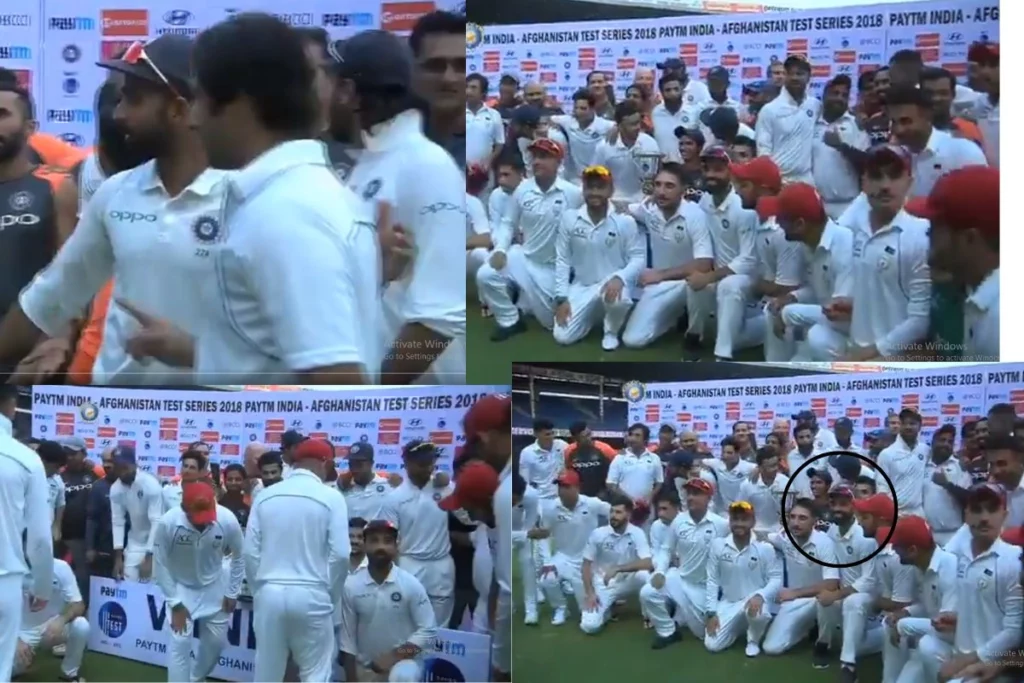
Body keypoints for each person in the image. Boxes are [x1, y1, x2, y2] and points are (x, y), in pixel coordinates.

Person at [0, 36, 231, 386]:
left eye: (134, 100)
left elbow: (290, 349)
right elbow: (49, 300)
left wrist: (195, 352)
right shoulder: (116, 194)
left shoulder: (248, 197)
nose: (119, 114)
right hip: (114, 410)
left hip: (222, 411)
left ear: (178, 109)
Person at [185, 14, 379, 384]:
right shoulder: (286, 200)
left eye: (199, 98)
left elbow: (336, 382)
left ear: (241, 103)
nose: (192, 119)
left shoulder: (286, 214)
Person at [336, 30, 465, 384]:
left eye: (329, 83)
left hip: (421, 393)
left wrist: (381, 387)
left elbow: (440, 319)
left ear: (348, 91)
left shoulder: (426, 164)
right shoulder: (372, 160)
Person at [245, 438, 349, 681]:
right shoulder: (331, 497)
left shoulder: (265, 495)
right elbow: (341, 555)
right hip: (313, 593)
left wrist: (260, 590)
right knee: (315, 673)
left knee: (266, 675)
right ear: (326, 463)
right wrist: (329, 594)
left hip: (269, 592)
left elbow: (250, 552)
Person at [478, 137, 583, 340]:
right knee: (486, 274)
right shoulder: (522, 190)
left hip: (553, 269)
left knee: (552, 324)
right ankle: (510, 320)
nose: (537, 162)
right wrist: (500, 249)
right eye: (534, 157)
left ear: (558, 162)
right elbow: (508, 223)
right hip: (524, 258)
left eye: (544, 157)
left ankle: (529, 303)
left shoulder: (572, 194)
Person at [919, 484, 1022, 683]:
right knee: (926, 646)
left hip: (996, 663)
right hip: (962, 652)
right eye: (977, 510)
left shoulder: (1014, 560)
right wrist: (957, 617)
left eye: (992, 509)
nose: (984, 517)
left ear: (1004, 515)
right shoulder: (960, 555)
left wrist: (970, 659)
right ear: (966, 515)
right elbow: (984, 606)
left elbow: (1013, 632)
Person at [841, 145, 931, 361]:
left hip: (894, 359)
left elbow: (920, 320)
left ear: (909, 181)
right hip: (857, 349)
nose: (885, 186)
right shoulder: (855, 229)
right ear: (864, 183)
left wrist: (874, 352)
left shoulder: (920, 235)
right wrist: (851, 303)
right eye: (876, 176)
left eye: (894, 176)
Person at [153, 481, 244, 683]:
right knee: (179, 643)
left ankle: (195, 679)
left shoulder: (227, 519)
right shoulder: (168, 522)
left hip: (215, 586)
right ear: (184, 508)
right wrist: (175, 603)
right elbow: (160, 564)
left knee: (216, 644)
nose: (204, 523)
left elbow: (239, 556)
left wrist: (232, 591)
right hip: (181, 588)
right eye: (197, 517)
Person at [620, 163, 713, 352]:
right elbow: (625, 208)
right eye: (658, 184)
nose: (661, 192)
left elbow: (704, 264)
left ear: (683, 190)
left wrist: (660, 274)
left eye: (669, 186)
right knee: (633, 340)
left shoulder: (695, 216)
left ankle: (695, 334)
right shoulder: (649, 208)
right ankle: (674, 317)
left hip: (684, 283)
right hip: (659, 285)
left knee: (700, 283)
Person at [911, 165, 999, 360]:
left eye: (934, 228)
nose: (928, 235)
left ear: (969, 239)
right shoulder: (979, 296)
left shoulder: (999, 322)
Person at [553, 165, 643, 350]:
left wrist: (620, 277)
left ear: (611, 190)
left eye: (600, 187)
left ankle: (611, 331)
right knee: (562, 337)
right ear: (583, 190)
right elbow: (562, 259)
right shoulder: (569, 218)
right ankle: (591, 316)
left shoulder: (625, 221)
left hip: (612, 284)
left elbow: (638, 258)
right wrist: (561, 298)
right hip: (582, 286)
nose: (594, 192)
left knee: (619, 300)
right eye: (590, 187)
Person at [339, 519, 438, 682]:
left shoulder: (410, 584)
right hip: (366, 667)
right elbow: (347, 641)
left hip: (404, 663)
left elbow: (429, 630)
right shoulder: (351, 585)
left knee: (403, 675)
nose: (381, 547)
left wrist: (396, 655)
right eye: (374, 541)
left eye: (387, 541)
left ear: (396, 546)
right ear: (365, 545)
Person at [0, 385, 54, 682]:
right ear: (11, 406)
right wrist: (42, 587)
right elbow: (40, 539)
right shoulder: (27, 459)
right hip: (5, 579)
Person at [770, 182, 855, 361]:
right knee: (773, 308)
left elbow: (839, 314)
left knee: (817, 336)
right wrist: (792, 297)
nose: (776, 223)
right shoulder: (809, 243)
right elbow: (820, 290)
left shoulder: (844, 245)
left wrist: (788, 313)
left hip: (853, 335)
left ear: (800, 224)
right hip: (831, 328)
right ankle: (775, 367)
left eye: (781, 219)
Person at [642, 478, 729, 647]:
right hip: (680, 579)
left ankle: (683, 617)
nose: (690, 497)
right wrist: (660, 571)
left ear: (708, 498)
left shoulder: (720, 524)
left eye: (696, 494)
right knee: (648, 592)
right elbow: (666, 549)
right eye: (688, 493)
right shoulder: (679, 521)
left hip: (704, 587)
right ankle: (668, 631)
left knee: (704, 634)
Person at [381, 440, 456, 626]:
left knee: (440, 625)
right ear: (407, 463)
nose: (428, 468)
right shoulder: (394, 498)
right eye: (422, 463)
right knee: (408, 623)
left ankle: (436, 647)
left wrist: (448, 482)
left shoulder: (445, 488)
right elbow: (389, 539)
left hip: (441, 564)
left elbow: (469, 517)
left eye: (431, 462)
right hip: (409, 563)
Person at [762, 499, 841, 663]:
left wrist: (795, 593)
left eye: (802, 518)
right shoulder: (785, 537)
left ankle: (823, 644)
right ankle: (807, 627)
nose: (795, 523)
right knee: (771, 648)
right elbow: (765, 537)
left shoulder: (824, 543)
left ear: (814, 521)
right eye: (792, 517)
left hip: (814, 600)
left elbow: (832, 583)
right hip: (793, 601)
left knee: (827, 599)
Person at [882, 515, 958, 683]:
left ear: (913, 550)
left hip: (954, 648)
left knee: (925, 644)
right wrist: (905, 612)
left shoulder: (949, 568)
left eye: (897, 546)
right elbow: (929, 606)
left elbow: (946, 627)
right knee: (890, 622)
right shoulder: (921, 565)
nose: (893, 549)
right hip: (935, 641)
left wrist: (904, 625)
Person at [704, 500, 781, 657]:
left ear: (753, 521)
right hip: (729, 602)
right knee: (712, 645)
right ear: (729, 521)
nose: (739, 524)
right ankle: (738, 627)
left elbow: (775, 578)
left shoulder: (765, 548)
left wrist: (760, 595)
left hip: (754, 601)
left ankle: (753, 640)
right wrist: (711, 612)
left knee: (758, 614)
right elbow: (712, 580)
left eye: (744, 519)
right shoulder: (718, 545)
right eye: (735, 519)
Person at [578, 494, 653, 634]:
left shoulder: (637, 533)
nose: (613, 516)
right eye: (612, 511)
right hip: (604, 582)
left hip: (628, 579)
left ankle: (649, 616)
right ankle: (607, 610)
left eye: (618, 512)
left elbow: (648, 562)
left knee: (645, 576)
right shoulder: (598, 534)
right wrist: (590, 593)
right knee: (589, 626)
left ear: (628, 514)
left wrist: (618, 569)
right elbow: (586, 564)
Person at [12, 555, 88, 682]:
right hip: (21, 632)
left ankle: (70, 673)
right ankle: (20, 666)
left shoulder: (61, 567)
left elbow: (79, 604)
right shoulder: (11, 568)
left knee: (81, 625)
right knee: (9, 671)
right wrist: (15, 640)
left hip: (52, 626)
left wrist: (62, 620)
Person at [410, 11, 466, 166]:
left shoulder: (487, 147)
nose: (449, 78)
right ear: (413, 71)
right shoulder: (382, 146)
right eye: (435, 66)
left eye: (462, 66)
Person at [812, 75, 870, 220]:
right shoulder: (811, 123)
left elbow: (867, 163)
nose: (839, 98)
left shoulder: (856, 124)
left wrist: (841, 146)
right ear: (824, 95)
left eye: (844, 95)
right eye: (835, 93)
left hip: (849, 205)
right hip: (817, 204)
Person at [755, 56, 820, 184]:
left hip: (806, 180)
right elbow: (763, 152)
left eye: (799, 73)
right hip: (780, 181)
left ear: (808, 77)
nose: (794, 77)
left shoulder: (815, 106)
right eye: (790, 73)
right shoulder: (769, 110)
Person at [109, 446, 163, 581]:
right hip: (135, 542)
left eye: (125, 467)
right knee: (128, 583)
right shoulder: (115, 489)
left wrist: (149, 556)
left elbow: (156, 521)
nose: (121, 471)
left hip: (157, 543)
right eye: (117, 467)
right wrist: (118, 557)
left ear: (134, 464)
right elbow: (118, 522)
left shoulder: (150, 484)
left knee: (151, 586)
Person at [591, 101, 661, 203]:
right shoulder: (604, 147)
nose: (638, 127)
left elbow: (656, 175)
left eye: (638, 122)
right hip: (615, 200)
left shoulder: (650, 143)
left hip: (644, 200)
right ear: (620, 126)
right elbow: (597, 176)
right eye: (632, 124)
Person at [550, 89, 615, 183]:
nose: (578, 112)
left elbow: (620, 125)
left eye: (583, 108)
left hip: (599, 175)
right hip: (576, 178)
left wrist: (616, 130)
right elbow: (548, 119)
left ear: (593, 109)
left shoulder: (604, 125)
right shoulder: (568, 122)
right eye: (576, 108)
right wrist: (553, 124)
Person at [876, 409, 929, 516]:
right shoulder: (886, 454)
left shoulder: (925, 450)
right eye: (904, 423)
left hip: (918, 513)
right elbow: (882, 488)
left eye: (912, 423)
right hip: (896, 514)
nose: (908, 427)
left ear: (919, 427)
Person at [739, 447, 791, 539]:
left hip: (780, 533)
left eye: (776, 465)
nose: (775, 469)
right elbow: (741, 510)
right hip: (755, 532)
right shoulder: (747, 485)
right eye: (771, 466)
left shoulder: (786, 483)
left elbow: (789, 511)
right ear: (760, 468)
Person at [338, 443, 391, 521]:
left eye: (359, 464)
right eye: (351, 464)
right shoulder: (341, 489)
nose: (354, 469)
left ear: (371, 463)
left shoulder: (388, 487)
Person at [650, 74, 696, 162]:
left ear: (682, 90)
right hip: (662, 166)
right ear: (661, 92)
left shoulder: (693, 113)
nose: (673, 93)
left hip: (687, 166)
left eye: (676, 89)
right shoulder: (654, 114)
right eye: (668, 90)